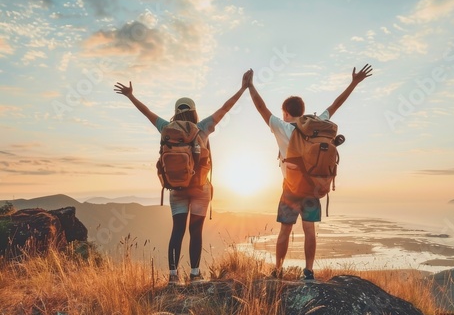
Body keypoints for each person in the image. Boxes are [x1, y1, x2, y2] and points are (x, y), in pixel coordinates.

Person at [114, 71, 252, 282]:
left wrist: (131, 96)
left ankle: (172, 276)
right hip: (200, 189)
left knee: (177, 231)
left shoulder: (166, 128)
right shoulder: (202, 127)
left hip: (176, 189)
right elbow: (225, 108)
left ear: (175, 112)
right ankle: (195, 275)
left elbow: (147, 112)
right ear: (194, 112)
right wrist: (243, 88)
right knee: (195, 231)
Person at [245, 64, 372, 280]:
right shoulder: (317, 124)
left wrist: (250, 85)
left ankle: (278, 269)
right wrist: (354, 83)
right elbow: (336, 104)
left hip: (291, 188)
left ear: (285, 112)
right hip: (314, 187)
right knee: (309, 230)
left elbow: (260, 107)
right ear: (302, 112)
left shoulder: (281, 126)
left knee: (285, 230)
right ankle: (309, 271)